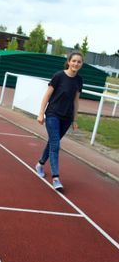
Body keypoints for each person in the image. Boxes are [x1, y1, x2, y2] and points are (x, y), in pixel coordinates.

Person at [35, 52, 84, 190]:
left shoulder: (79, 80)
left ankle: (40, 164)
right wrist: (41, 113)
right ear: (68, 62)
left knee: (53, 142)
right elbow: (47, 96)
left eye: (79, 62)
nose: (76, 64)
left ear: (81, 64)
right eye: (73, 61)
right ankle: (56, 178)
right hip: (52, 114)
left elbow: (76, 100)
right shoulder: (59, 76)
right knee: (56, 145)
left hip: (67, 117)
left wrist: (74, 119)